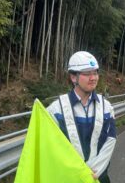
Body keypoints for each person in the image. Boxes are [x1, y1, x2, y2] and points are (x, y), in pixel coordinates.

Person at [47, 51, 116, 183]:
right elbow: (53, 149)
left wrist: (92, 173)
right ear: (73, 77)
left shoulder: (106, 107)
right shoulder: (55, 110)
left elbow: (110, 140)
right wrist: (77, 174)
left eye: (95, 73)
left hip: (99, 178)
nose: (93, 78)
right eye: (87, 73)